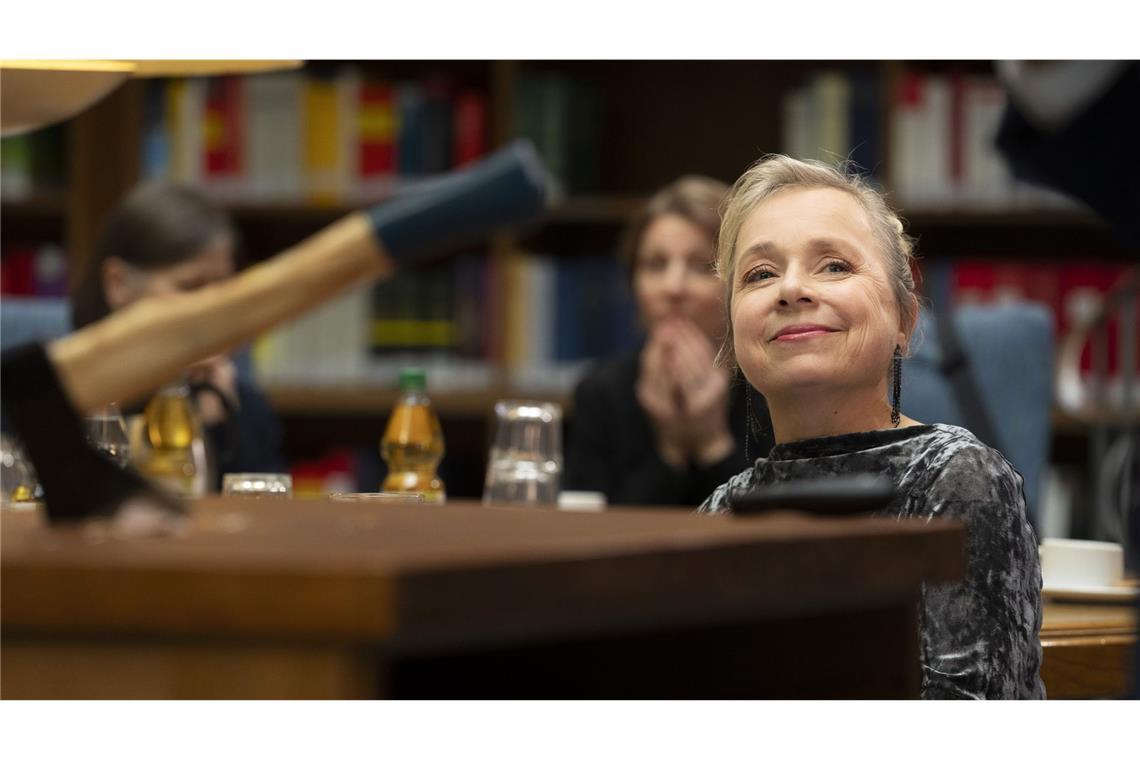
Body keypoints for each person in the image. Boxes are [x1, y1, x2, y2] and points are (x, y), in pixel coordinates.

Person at [700, 155, 1044, 699]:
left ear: (905, 320)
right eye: (760, 274)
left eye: (834, 265)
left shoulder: (957, 478)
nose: (791, 289)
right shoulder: (720, 510)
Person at [564, 176, 773, 507]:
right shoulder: (600, 393)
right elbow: (593, 537)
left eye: (701, 266)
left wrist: (711, 443)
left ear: (738, 282)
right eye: (656, 265)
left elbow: (776, 534)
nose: (673, 287)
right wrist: (670, 450)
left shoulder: (774, 388)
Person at [71, 182, 285, 487]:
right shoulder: (51, 391)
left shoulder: (241, 402)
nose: (212, 309)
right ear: (118, 284)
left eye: (223, 289)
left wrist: (219, 427)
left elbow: (261, 519)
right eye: (190, 287)